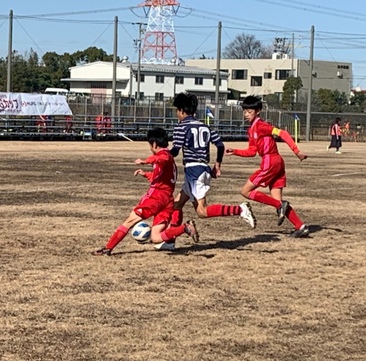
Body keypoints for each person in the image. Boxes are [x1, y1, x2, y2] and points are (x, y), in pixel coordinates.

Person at [93, 127, 197, 256]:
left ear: (154, 144)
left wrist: (145, 161)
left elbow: (161, 159)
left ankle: (108, 248)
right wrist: (145, 174)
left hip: (156, 198)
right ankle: (184, 228)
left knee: (129, 221)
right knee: (156, 238)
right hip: (167, 200)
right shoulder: (169, 158)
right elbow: (159, 176)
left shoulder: (164, 156)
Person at [168, 93, 257, 239]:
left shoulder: (181, 127)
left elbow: (175, 150)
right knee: (176, 204)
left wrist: (160, 156)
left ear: (182, 110)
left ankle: (240, 210)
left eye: (177, 111)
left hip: (193, 171)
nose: (177, 114)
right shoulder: (205, 126)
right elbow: (220, 145)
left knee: (202, 212)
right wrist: (217, 166)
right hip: (203, 169)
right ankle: (170, 239)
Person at [225, 95, 310, 238]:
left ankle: (279, 206)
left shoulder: (261, 125)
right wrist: (235, 151)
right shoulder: (252, 129)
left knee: (245, 191)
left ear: (258, 111)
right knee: (277, 200)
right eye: (244, 111)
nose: (246, 114)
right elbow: (252, 152)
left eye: (249, 111)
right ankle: (300, 226)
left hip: (270, 161)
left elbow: (282, 133)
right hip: (277, 162)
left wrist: (297, 152)